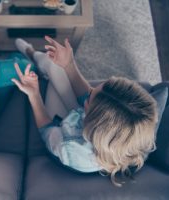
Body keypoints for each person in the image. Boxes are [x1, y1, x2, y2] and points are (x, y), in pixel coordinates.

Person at [12, 37, 158, 186]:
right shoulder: (139, 124)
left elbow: (46, 129)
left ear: (91, 117)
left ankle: (33, 56)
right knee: (54, 65)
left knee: (51, 75)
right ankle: (33, 54)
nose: (90, 89)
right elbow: (86, 95)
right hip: (91, 128)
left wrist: (34, 94)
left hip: (61, 139)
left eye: (89, 97)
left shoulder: (69, 146)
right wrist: (69, 64)